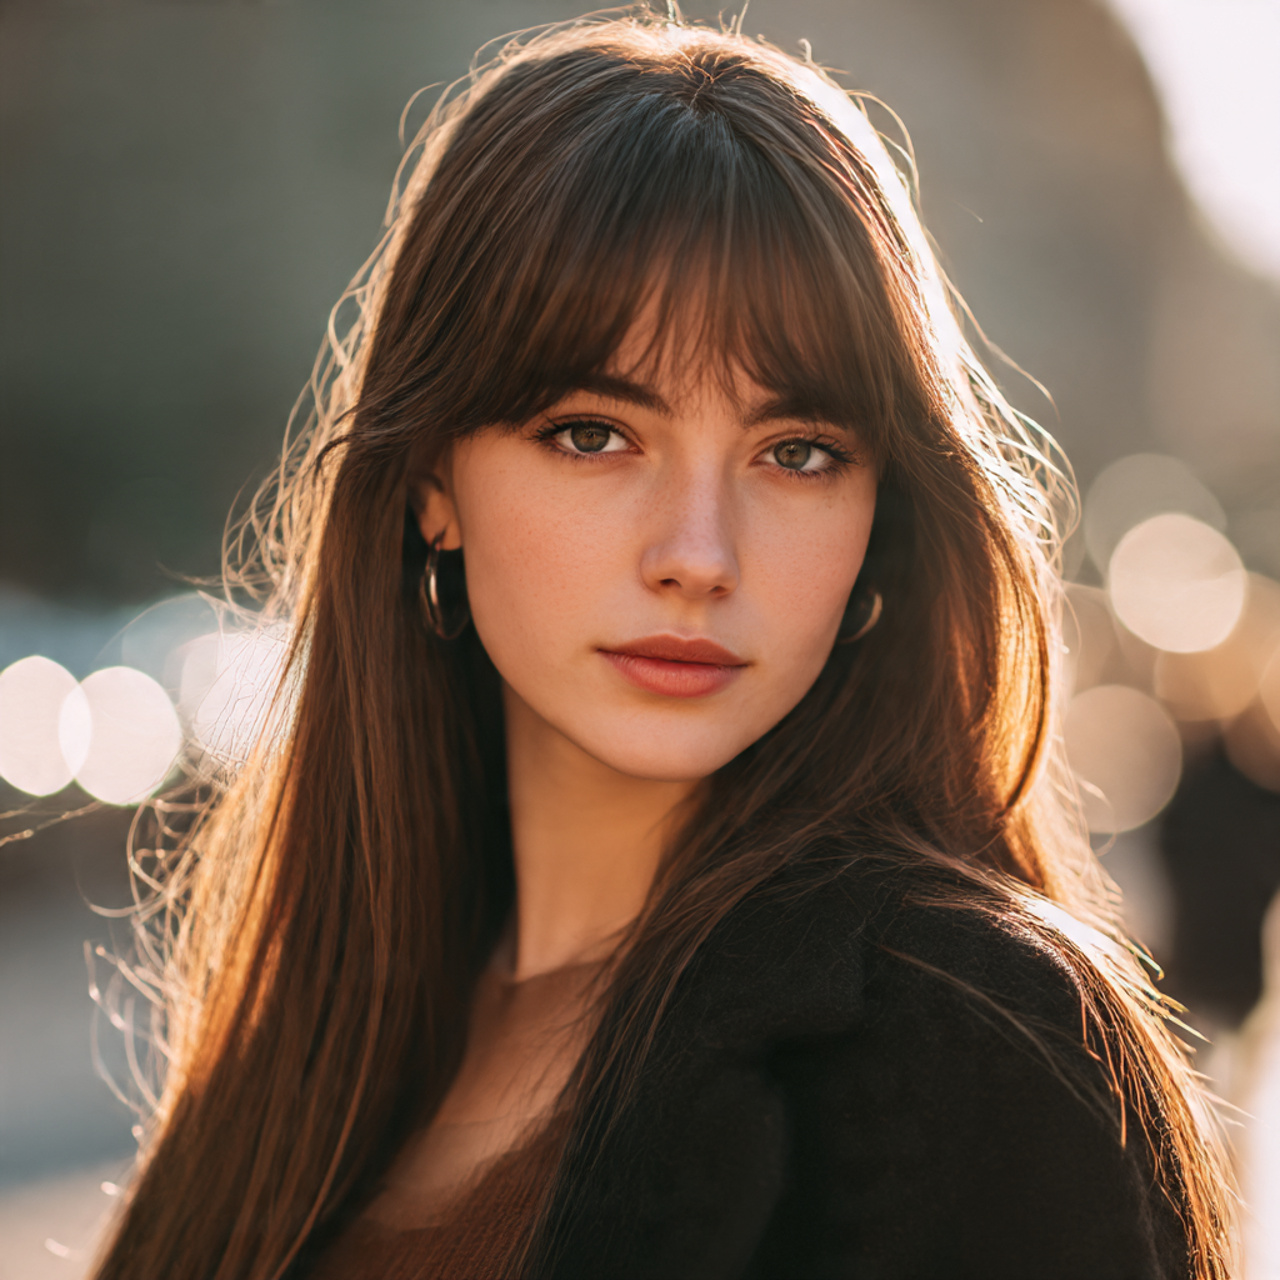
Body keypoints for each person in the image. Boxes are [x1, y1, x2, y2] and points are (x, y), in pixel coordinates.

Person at [91, 11, 1234, 1278]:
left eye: (796, 453)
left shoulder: (970, 1043)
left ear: (881, 521)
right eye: (593, 432)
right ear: (431, 479)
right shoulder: (314, 1039)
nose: (698, 552)